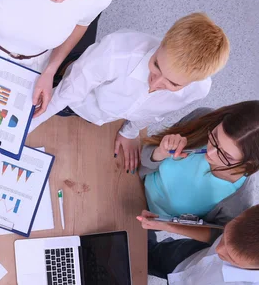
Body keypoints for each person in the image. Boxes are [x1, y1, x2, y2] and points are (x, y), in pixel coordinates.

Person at [28, 12, 230, 172]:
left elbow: (153, 113)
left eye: (172, 84)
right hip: (77, 99)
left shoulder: (199, 89)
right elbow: (66, 93)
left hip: (102, 116)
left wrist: (129, 132)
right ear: (162, 42)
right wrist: (20, 131)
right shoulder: (116, 51)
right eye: (156, 65)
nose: (155, 83)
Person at [136, 101, 259, 244]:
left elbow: (218, 238)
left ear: (249, 163)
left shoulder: (238, 199)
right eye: (214, 137)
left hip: (143, 218)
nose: (210, 153)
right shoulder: (203, 118)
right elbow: (144, 153)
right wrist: (160, 152)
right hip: (131, 178)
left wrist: (167, 225)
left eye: (225, 155)